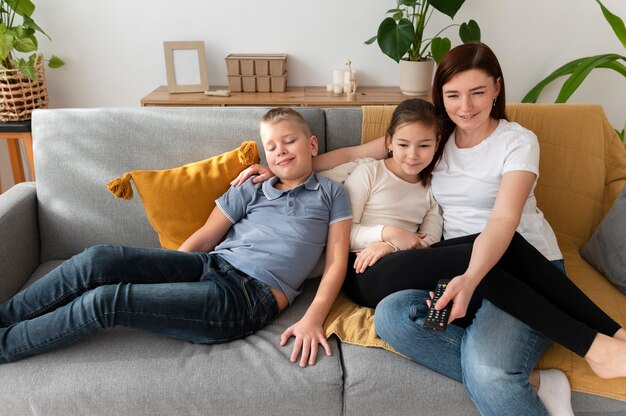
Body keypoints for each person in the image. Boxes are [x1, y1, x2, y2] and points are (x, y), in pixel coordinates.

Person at [231, 44, 626, 415]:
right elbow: (354, 154)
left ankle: (599, 343)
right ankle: (554, 372)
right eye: (453, 95)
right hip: (455, 269)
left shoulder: (517, 142)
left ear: (496, 90)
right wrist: (284, 168)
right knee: (392, 315)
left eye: (477, 92)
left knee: (490, 369)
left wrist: (469, 278)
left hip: (527, 271)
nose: (465, 106)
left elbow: (504, 223)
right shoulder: (433, 139)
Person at [0, 107, 352, 367]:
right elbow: (206, 237)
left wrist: (313, 318)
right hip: (210, 264)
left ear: (313, 144)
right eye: (271, 146)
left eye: (289, 141)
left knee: (106, 301)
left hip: (246, 298)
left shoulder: (331, 194)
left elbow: (337, 260)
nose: (280, 151)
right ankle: (5, 315)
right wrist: (167, 274)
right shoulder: (250, 187)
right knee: (98, 259)